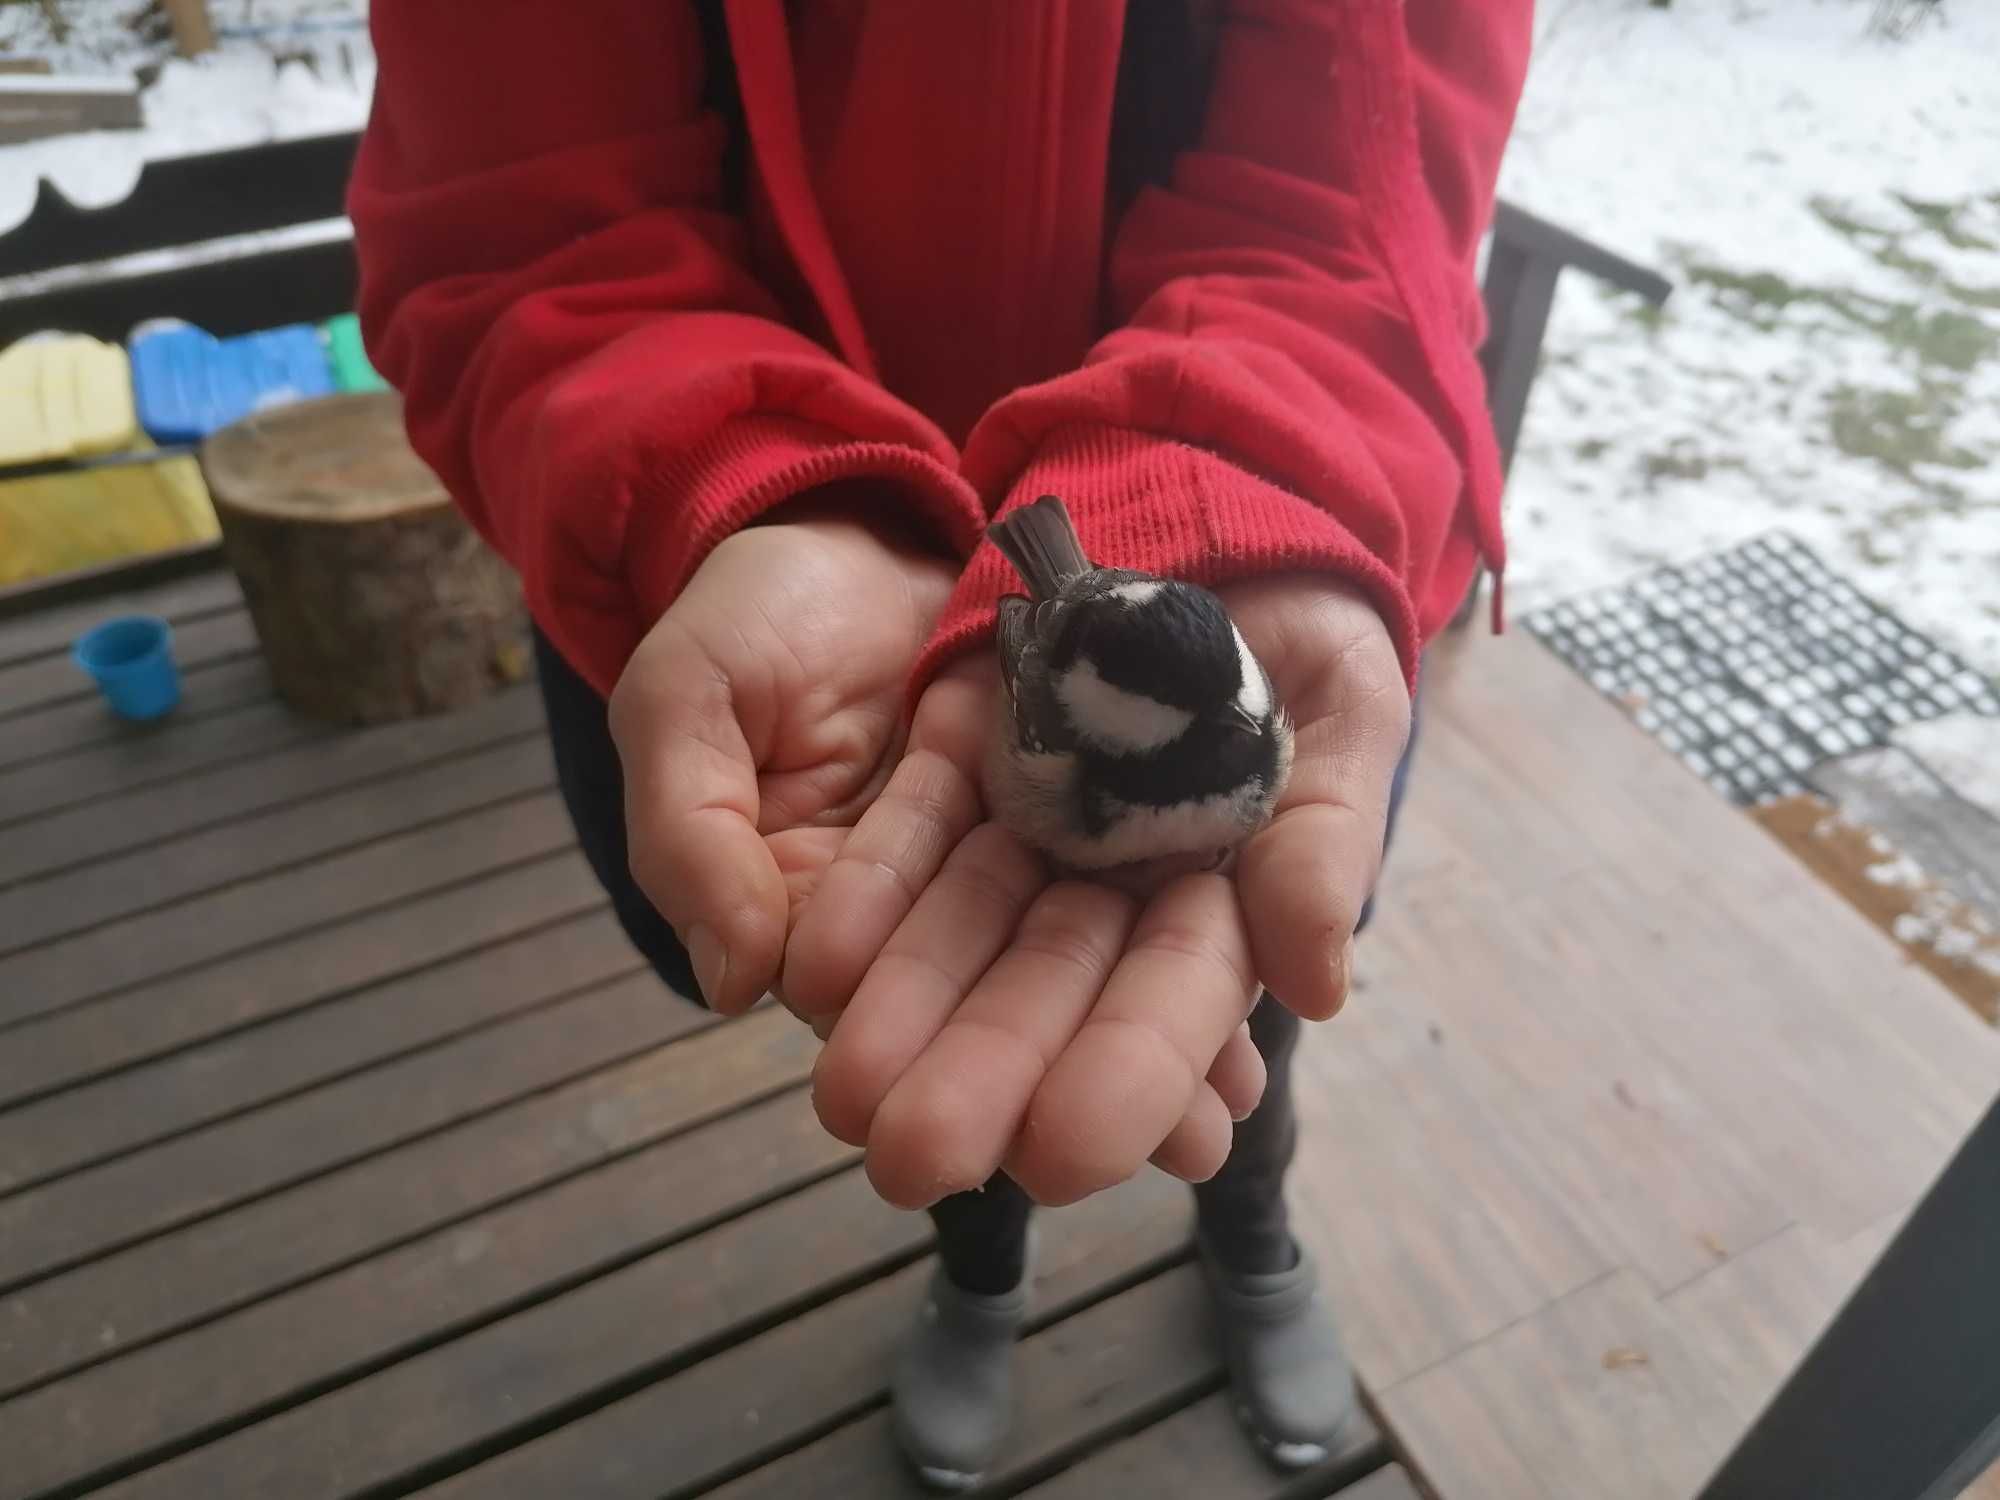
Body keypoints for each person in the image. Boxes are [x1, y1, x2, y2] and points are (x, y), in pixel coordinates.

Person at [350, 1, 1530, 1486]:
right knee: (929, 1024)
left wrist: (1241, 475)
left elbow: (1366, 187)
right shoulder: (1050, 733)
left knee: (1268, 975)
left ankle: (1252, 1227)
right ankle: (981, 1270)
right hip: (796, 510)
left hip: (1275, 463)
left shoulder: (1242, 710)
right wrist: (740, 484)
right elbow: (520, 220)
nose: (1231, 734)